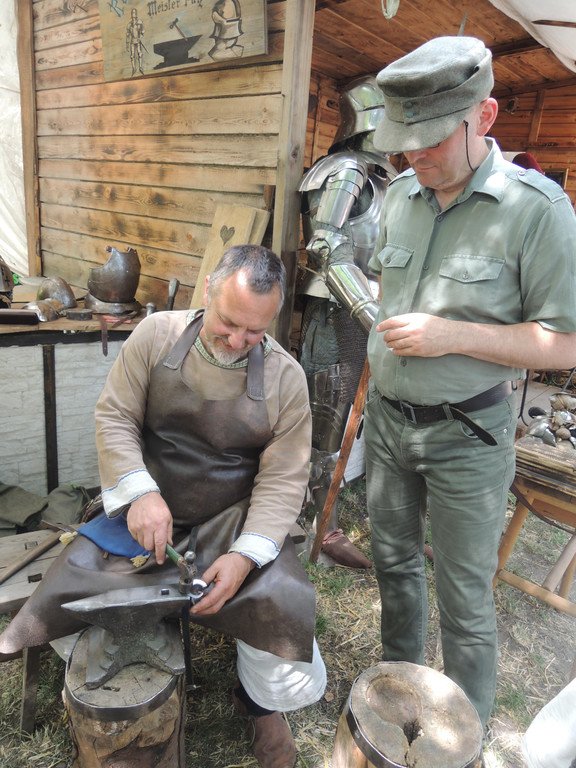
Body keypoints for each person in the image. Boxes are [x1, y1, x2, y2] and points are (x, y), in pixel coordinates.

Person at [0, 244, 326, 768]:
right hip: (147, 509)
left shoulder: (285, 378)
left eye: (255, 332)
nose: (238, 341)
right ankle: (118, 667)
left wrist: (245, 556)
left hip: (233, 517)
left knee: (278, 596)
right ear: (207, 292)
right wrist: (139, 492)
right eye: (228, 322)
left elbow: (284, 477)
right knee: (74, 582)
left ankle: (264, 706)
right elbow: (115, 416)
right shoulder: (155, 336)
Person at [357, 36, 576, 728]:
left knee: (464, 597)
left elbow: (566, 341)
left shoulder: (537, 211)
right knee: (394, 569)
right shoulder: (400, 196)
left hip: (469, 437)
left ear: (484, 116)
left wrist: (452, 336)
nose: (414, 156)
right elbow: (388, 286)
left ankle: (463, 736)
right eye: (403, 141)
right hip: (388, 425)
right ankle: (397, 707)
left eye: (430, 139)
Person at [298, 76, 396, 568]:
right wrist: (370, 313)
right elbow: (324, 248)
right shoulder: (345, 171)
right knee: (326, 431)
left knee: (375, 425)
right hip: (339, 314)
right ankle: (321, 528)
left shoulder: (391, 179)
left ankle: (387, 527)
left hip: (378, 319)